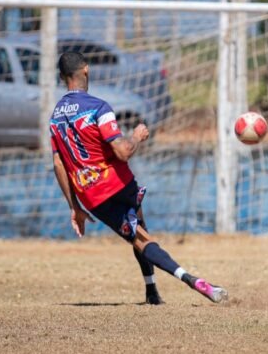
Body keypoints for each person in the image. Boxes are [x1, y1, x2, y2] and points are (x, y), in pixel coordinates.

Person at [50, 51, 228, 305]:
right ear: (86, 69)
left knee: (138, 236)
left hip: (92, 197)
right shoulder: (98, 107)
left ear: (62, 77)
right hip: (118, 183)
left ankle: (151, 291)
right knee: (142, 236)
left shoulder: (55, 117)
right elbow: (123, 152)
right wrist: (136, 136)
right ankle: (192, 280)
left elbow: (58, 164)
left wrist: (74, 207)